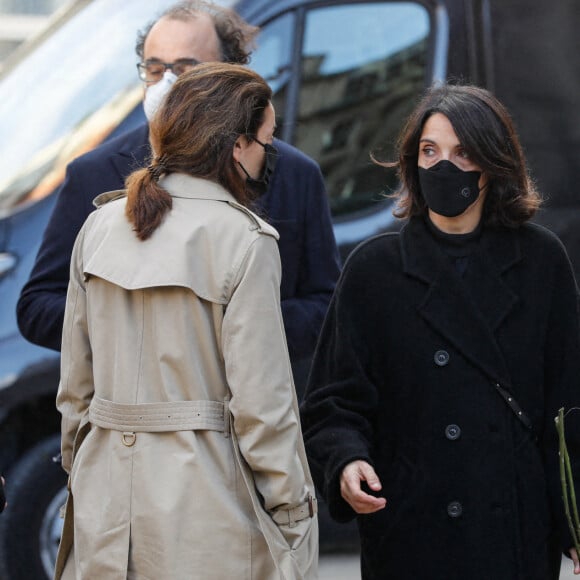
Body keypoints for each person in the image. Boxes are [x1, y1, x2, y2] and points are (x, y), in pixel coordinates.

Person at [300, 83, 580, 579]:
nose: (443, 167)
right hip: (410, 530)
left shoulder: (540, 261)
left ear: (493, 165)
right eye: (430, 151)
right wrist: (346, 462)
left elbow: (568, 406)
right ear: (412, 162)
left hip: (512, 532)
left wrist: (576, 524)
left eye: (462, 152)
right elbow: (332, 402)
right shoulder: (374, 269)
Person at [54, 62, 318, 580]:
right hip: (208, 499)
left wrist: (80, 467)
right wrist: (292, 510)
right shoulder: (246, 239)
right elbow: (263, 405)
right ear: (237, 146)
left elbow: (74, 388)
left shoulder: (100, 226)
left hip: (102, 494)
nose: (270, 155)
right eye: (267, 140)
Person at [16, 0, 340, 369]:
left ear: (228, 73)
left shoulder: (294, 173)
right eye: (154, 70)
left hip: (246, 404)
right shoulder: (94, 172)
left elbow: (326, 306)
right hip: (132, 411)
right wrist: (139, 326)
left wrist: (231, 330)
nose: (168, 84)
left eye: (186, 69)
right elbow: (38, 307)